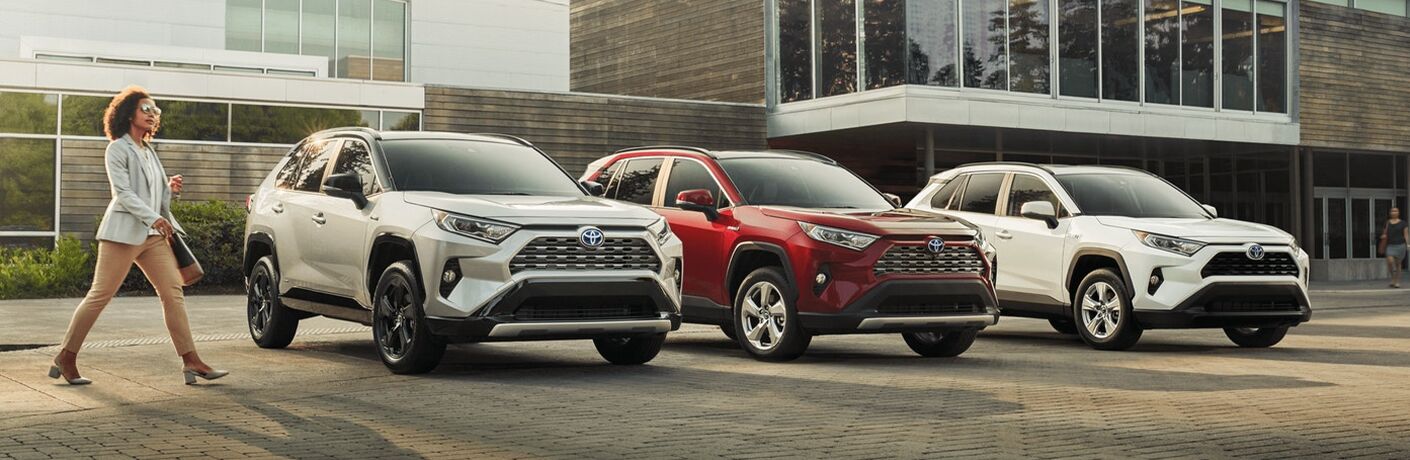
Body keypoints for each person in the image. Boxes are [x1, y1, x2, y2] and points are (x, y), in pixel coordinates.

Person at [49, 86, 228, 385]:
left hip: (152, 236)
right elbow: (123, 193)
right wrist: (153, 217)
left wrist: (168, 189)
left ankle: (191, 360)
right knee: (100, 295)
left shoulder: (148, 151)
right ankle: (66, 356)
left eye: (155, 110)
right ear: (128, 113)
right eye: (145, 109)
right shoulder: (117, 149)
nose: (152, 114)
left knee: (173, 292)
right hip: (122, 234)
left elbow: (153, 197)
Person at [1382, 207, 1409, 288]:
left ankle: (1397, 281)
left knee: (1398, 264)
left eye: (1396, 211)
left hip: (1400, 245)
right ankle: (1393, 278)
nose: (1394, 212)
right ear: (1390, 213)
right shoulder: (1387, 223)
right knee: (1390, 261)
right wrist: (1384, 235)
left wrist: (1408, 244)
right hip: (1390, 245)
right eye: (1392, 211)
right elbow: (1385, 232)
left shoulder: (1403, 223)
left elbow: (1406, 234)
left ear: (1398, 212)